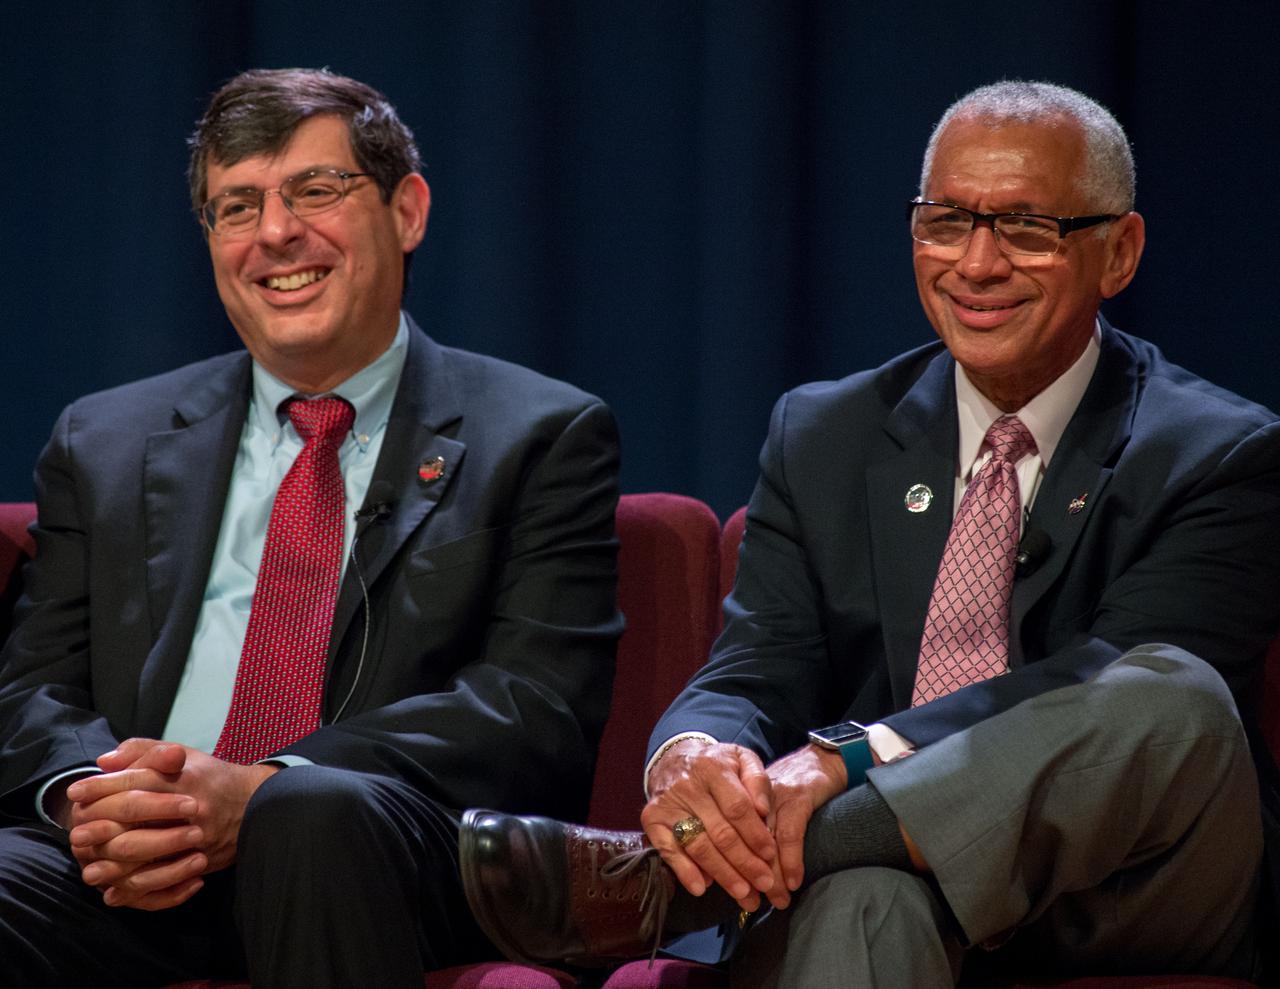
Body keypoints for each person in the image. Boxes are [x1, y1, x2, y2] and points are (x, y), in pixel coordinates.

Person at [459, 80, 1280, 986]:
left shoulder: (1220, 452)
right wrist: (691, 758)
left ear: (1117, 253)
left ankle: (675, 884)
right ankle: (765, 857)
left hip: (1129, 888)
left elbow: (1109, 699)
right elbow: (754, 667)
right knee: (863, 898)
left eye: (1026, 229)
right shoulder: (825, 434)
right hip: (887, 883)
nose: (975, 263)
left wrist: (851, 761)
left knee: (1171, 693)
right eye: (945, 221)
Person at [0, 68, 622, 989]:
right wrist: (102, 794)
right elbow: (29, 688)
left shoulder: (539, 434)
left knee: (309, 815)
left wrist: (263, 784)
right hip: (133, 860)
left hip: (379, 851)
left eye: (315, 191)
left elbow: (533, 706)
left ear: (407, 212)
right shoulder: (106, 439)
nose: (277, 234)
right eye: (237, 206)